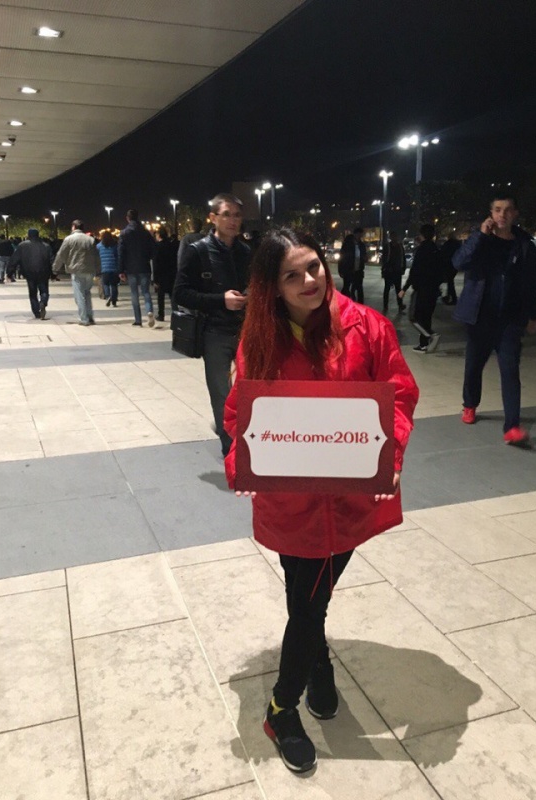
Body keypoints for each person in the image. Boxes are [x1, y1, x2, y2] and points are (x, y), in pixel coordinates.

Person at [223, 229, 418, 773]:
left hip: (349, 496)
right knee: (307, 598)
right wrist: (243, 463)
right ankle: (303, 683)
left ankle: (293, 692)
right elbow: (240, 411)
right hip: (290, 499)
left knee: (309, 600)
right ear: (272, 287)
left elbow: (399, 394)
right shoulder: (260, 338)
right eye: (292, 275)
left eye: (313, 266)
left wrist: (391, 452)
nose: (309, 280)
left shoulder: (366, 326)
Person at [452, 194, 536, 444]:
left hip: (510, 320)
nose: (503, 214)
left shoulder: (523, 244)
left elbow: (532, 281)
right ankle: (470, 404)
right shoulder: (481, 240)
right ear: (491, 214)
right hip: (480, 318)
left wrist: (535, 314)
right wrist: (480, 236)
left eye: (508, 210)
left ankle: (512, 427)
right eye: (498, 209)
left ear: (515, 214)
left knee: (510, 371)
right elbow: (459, 262)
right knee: (473, 366)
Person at [173, 193, 250, 457]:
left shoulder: (245, 252)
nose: (233, 220)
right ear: (213, 218)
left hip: (245, 330)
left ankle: (248, 438)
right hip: (214, 332)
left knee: (250, 389)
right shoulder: (198, 251)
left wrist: (252, 294)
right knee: (220, 393)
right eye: (226, 214)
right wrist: (221, 300)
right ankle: (232, 450)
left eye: (237, 215)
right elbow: (181, 293)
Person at [399, 224, 443, 353]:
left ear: (422, 235)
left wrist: (404, 288)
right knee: (426, 317)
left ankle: (431, 335)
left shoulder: (421, 250)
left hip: (422, 289)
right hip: (433, 289)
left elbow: (414, 271)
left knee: (414, 317)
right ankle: (423, 344)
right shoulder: (436, 249)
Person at [53, 220, 100, 325]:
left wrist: (55, 269)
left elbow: (61, 255)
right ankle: (90, 316)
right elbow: (96, 255)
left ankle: (84, 319)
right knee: (87, 293)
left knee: (79, 295)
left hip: (76, 270)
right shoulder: (90, 239)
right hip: (90, 270)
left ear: (73, 227)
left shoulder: (69, 239)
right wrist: (98, 269)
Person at [118, 209, 156, 327]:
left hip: (130, 268)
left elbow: (121, 252)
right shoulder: (145, 232)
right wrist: (148, 257)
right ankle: (149, 311)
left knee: (134, 293)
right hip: (144, 266)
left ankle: (138, 319)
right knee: (146, 292)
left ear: (127, 218)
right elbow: (154, 249)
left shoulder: (124, 233)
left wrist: (121, 270)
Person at [8, 228, 53, 319]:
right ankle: (43, 302)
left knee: (32, 293)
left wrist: (10, 272)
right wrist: (54, 273)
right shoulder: (46, 246)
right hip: (44, 272)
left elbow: (14, 260)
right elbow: (51, 260)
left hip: (29, 272)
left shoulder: (22, 246)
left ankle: (36, 312)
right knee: (44, 291)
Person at [152, 225, 178, 321]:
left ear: (159, 235)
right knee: (172, 296)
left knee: (160, 296)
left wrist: (155, 279)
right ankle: (176, 313)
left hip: (161, 274)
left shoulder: (157, 247)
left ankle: (161, 314)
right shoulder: (172, 245)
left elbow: (156, 264)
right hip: (171, 273)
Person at [338, 227, 366, 302]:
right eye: (359, 234)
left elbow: (363, 256)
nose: (360, 236)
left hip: (358, 270)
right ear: (355, 234)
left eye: (361, 235)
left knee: (359, 288)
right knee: (346, 287)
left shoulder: (361, 245)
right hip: (348, 270)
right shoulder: (348, 244)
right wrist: (341, 270)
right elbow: (342, 258)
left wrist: (363, 260)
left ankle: (360, 304)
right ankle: (343, 302)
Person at [381, 231, 406, 314]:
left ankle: (400, 305)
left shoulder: (400, 246)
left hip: (397, 271)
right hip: (389, 271)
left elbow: (403, 258)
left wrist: (403, 268)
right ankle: (385, 306)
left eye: (395, 236)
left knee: (398, 290)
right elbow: (384, 259)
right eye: (393, 236)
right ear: (391, 237)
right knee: (387, 289)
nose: (394, 238)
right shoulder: (387, 246)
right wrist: (384, 269)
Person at [97, 230, 119, 307]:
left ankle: (107, 296)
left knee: (106, 284)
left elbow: (97, 255)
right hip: (114, 268)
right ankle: (114, 301)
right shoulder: (115, 245)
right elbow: (118, 256)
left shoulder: (99, 246)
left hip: (104, 268)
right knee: (114, 285)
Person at [440, 233, 461, 305]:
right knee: (450, 281)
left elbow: (443, 253)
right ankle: (449, 296)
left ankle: (452, 297)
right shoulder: (458, 244)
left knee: (450, 281)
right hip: (455, 264)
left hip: (448, 264)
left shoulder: (447, 244)